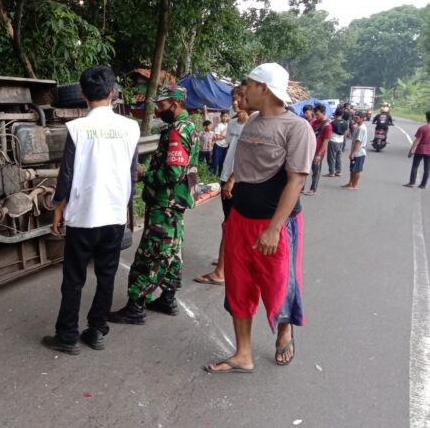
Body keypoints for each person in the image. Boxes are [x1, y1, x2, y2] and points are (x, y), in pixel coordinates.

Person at [205, 62, 314, 374]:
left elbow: (296, 181)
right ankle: (243, 354)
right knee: (238, 285)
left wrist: (274, 228)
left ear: (264, 88)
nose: (243, 92)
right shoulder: (251, 121)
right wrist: (231, 186)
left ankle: (284, 330)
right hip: (241, 218)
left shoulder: (297, 128)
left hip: (275, 224)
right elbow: (245, 166)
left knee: (279, 284)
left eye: (249, 85)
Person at [42, 65, 140, 354]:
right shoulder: (130, 127)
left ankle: (67, 336)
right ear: (112, 93)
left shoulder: (77, 128)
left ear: (83, 94)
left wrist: (58, 207)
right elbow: (132, 173)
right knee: (106, 276)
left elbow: (67, 174)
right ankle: (97, 330)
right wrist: (124, 208)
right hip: (113, 215)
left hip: (84, 216)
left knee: (74, 278)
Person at [107, 85, 199, 324]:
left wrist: (144, 175)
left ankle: (136, 306)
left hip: (165, 203)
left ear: (176, 105)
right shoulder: (189, 127)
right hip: (176, 202)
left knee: (152, 252)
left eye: (162, 105)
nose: (158, 110)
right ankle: (168, 299)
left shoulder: (177, 131)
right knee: (172, 249)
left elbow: (173, 173)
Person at [195, 81, 250, 286]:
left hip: (238, 180)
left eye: (240, 98)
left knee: (230, 225)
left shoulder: (254, 123)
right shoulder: (233, 123)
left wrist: (233, 180)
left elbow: (247, 156)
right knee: (228, 222)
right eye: (233, 98)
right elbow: (227, 145)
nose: (236, 102)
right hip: (226, 175)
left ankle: (221, 272)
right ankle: (228, 259)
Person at [303, 103, 332, 196]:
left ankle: (313, 189)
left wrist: (319, 155)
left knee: (316, 171)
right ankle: (301, 187)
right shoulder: (314, 122)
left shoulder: (327, 125)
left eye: (318, 114)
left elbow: (325, 141)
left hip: (319, 151)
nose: (316, 116)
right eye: (315, 114)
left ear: (323, 113)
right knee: (305, 169)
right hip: (310, 150)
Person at [403, 110, 430, 189]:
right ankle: (423, 185)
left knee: (415, 166)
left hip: (420, 150)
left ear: (426, 118)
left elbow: (417, 140)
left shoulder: (422, 128)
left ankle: (411, 182)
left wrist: (411, 150)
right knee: (427, 168)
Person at [342, 111, 367, 191]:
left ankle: (355, 185)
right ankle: (350, 183)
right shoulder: (357, 127)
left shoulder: (361, 128)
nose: (355, 119)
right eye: (354, 117)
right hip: (356, 151)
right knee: (352, 169)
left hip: (359, 152)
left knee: (356, 170)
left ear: (362, 119)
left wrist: (353, 153)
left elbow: (358, 142)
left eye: (357, 118)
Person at [324, 110, 347, 177]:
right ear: (342, 114)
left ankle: (332, 172)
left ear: (335, 114)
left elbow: (330, 132)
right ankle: (338, 171)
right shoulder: (345, 122)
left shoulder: (332, 122)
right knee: (339, 156)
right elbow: (345, 132)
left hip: (333, 140)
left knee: (331, 157)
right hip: (341, 141)